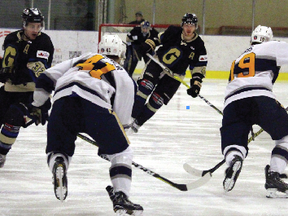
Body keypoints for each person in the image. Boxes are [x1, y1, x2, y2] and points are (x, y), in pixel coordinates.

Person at [30, 34, 143, 215]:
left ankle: (59, 163)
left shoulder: (84, 58)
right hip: (94, 103)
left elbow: (45, 78)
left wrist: (38, 104)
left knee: (58, 149)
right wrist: (108, 147)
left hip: (62, 100)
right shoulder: (124, 76)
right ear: (121, 55)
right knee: (122, 152)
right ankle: (121, 196)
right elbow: (121, 122)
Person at [221, 25, 288, 198]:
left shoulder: (238, 58)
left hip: (232, 102)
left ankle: (234, 159)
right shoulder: (271, 47)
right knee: (285, 135)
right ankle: (274, 175)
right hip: (260, 98)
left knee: (234, 141)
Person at [130, 13, 208, 132]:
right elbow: (158, 38)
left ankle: (136, 125)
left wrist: (196, 85)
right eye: (186, 24)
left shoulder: (199, 45)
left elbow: (199, 67)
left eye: (192, 25)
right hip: (158, 64)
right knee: (145, 88)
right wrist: (147, 45)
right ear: (182, 25)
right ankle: (129, 118)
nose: (189, 28)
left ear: (196, 27)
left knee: (156, 101)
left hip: (175, 76)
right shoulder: (173, 31)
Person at [0, 8, 54, 167]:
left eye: (38, 26)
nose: (36, 30)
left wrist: (42, 102)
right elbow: (7, 67)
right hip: (10, 90)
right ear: (24, 25)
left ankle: (1, 153)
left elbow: (38, 69)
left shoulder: (44, 42)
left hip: (32, 93)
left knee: (14, 116)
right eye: (32, 26)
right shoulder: (11, 39)